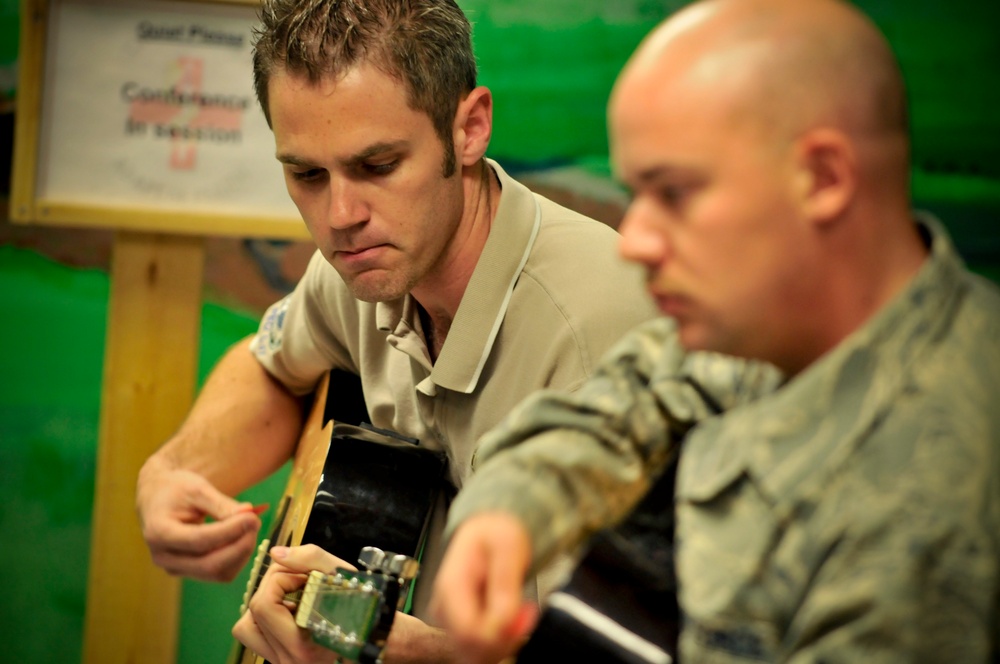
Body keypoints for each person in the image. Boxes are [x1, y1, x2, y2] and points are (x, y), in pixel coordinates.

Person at [428, 0, 1000, 661]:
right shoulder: (773, 321)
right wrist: (505, 512)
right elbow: (626, 400)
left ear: (822, 178)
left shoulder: (934, 505)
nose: (634, 240)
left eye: (672, 193)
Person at [134, 0, 659, 662]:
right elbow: (271, 363)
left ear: (469, 128)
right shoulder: (364, 265)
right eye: (306, 175)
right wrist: (170, 473)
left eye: (377, 165)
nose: (341, 216)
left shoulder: (599, 339)